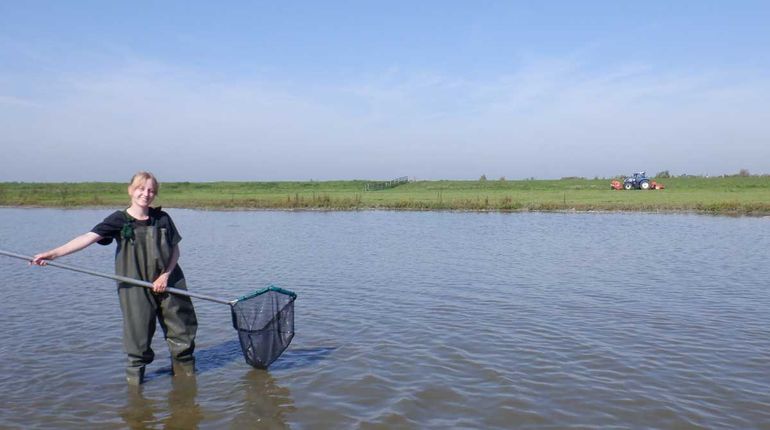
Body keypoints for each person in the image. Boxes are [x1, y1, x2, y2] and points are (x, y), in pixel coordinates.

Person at [32, 171, 197, 385]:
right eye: (140, 188)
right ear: (130, 190)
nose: (145, 194)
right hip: (135, 286)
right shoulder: (119, 220)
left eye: (150, 190)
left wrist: (165, 276)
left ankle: (186, 380)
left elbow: (175, 251)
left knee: (181, 331)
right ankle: (136, 393)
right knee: (137, 337)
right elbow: (87, 238)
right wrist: (52, 254)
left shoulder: (163, 218)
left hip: (169, 282)